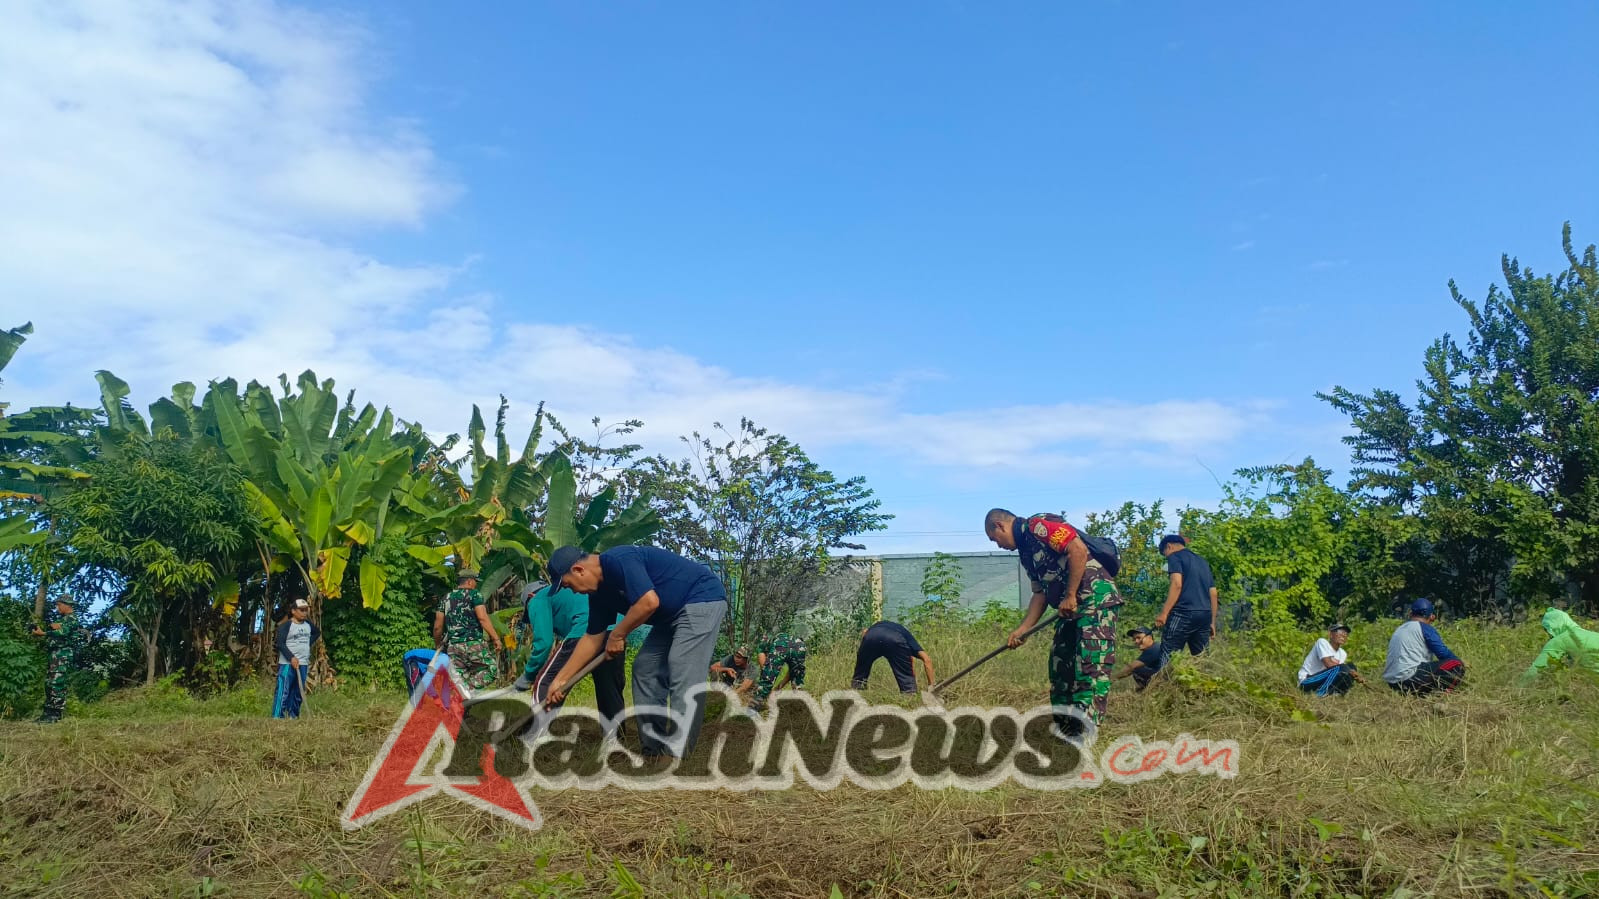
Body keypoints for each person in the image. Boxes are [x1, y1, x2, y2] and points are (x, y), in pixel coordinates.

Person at [543, 545, 728, 760]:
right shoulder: (599, 594)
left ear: (578, 570)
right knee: (645, 669)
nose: (573, 591)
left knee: (682, 669)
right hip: (668, 616)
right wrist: (560, 680)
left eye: (568, 584)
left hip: (701, 599)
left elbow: (648, 602)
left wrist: (618, 635)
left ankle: (677, 756)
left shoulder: (618, 559)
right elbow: (592, 638)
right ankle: (654, 751)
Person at [984, 508, 1123, 735]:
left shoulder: (1038, 527)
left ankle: (1085, 734)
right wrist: (1023, 629)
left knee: (1090, 668)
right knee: (1061, 667)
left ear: (999, 526)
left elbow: (1077, 549)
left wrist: (1070, 595)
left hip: (1095, 600)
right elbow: (1040, 594)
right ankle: (1065, 732)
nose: (997, 545)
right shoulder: (1026, 554)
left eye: (994, 539)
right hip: (1067, 610)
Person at [511, 581, 627, 729]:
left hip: (584, 633)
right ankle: (616, 735)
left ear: (530, 597)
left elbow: (544, 643)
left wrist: (528, 676)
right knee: (609, 689)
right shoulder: (566, 592)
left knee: (547, 682)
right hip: (614, 632)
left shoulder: (537, 598)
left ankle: (532, 733)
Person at [433, 569, 503, 691]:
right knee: (491, 671)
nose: (476, 584)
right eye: (475, 581)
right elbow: (482, 618)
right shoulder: (475, 595)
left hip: (453, 648)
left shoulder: (446, 598)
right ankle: (467, 689)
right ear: (470, 582)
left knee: (460, 678)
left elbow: (437, 626)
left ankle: (461, 701)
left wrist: (437, 644)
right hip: (473, 644)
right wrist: (496, 638)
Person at [1383, 598, 1465, 695]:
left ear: (1411, 614)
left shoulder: (1400, 629)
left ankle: (1422, 693)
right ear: (1432, 617)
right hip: (1410, 678)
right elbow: (1443, 654)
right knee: (1457, 665)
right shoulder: (1424, 628)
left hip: (1393, 684)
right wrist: (1461, 663)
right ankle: (1444, 695)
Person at [1153, 535, 1218, 656]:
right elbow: (1213, 593)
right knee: (1202, 658)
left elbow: (1177, 584)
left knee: (1169, 654)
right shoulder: (1202, 561)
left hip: (1183, 613)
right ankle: (1204, 675)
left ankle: (1165, 674)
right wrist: (1212, 622)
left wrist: (1164, 613)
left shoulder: (1174, 557)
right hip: (1204, 614)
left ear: (1169, 546)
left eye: (1165, 554)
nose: (1166, 557)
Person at [32, 596, 84, 723]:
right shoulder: (63, 620)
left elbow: (63, 633)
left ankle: (55, 714)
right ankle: (47, 713)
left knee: (57, 683)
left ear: (67, 605)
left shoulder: (72, 619)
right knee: (50, 683)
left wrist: (44, 633)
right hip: (56, 655)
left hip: (63, 655)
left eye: (59, 605)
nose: (57, 608)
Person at [851, 620, 935, 695]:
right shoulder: (909, 639)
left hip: (871, 636)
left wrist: (864, 644)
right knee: (908, 687)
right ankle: (909, 696)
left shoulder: (876, 626)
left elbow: (865, 631)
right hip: (894, 639)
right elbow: (927, 660)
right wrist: (931, 686)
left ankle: (856, 695)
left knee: (860, 675)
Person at [1519, 608, 1599, 685]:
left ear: (1551, 627)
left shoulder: (1561, 640)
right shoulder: (1593, 635)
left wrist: (1516, 686)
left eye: (1546, 630)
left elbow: (1536, 670)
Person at [273, 598, 320, 719]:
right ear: (293, 611)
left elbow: (317, 633)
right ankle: (278, 716)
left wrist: (306, 644)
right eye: (301, 610)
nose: (304, 613)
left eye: (306, 610)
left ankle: (293, 715)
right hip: (287, 664)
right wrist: (291, 657)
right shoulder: (286, 626)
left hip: (303, 663)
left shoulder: (308, 625)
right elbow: (280, 644)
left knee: (298, 691)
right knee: (284, 690)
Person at [1297, 624, 1367, 696]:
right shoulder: (1322, 642)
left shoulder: (1342, 653)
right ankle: (1320, 695)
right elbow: (1328, 664)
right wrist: (1349, 671)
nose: (1343, 635)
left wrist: (1355, 674)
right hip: (1307, 680)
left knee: (1351, 667)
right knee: (1344, 668)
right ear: (1330, 634)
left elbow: (1341, 672)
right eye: (1340, 631)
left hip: (1323, 680)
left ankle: (1339, 694)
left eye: (1346, 633)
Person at [750, 632, 808, 711]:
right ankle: (801, 708)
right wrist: (778, 687)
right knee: (797, 680)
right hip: (800, 646)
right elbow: (792, 673)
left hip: (780, 646)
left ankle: (752, 708)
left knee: (766, 680)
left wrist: (766, 679)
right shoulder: (792, 638)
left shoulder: (764, 641)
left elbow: (763, 662)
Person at [1111, 627, 1165, 691]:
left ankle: (1149, 690)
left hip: (1164, 680)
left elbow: (1131, 668)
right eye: (1134, 639)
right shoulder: (1156, 646)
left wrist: (1111, 679)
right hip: (1163, 678)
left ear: (1149, 637)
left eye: (1139, 638)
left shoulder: (1154, 648)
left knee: (1136, 669)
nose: (1136, 641)